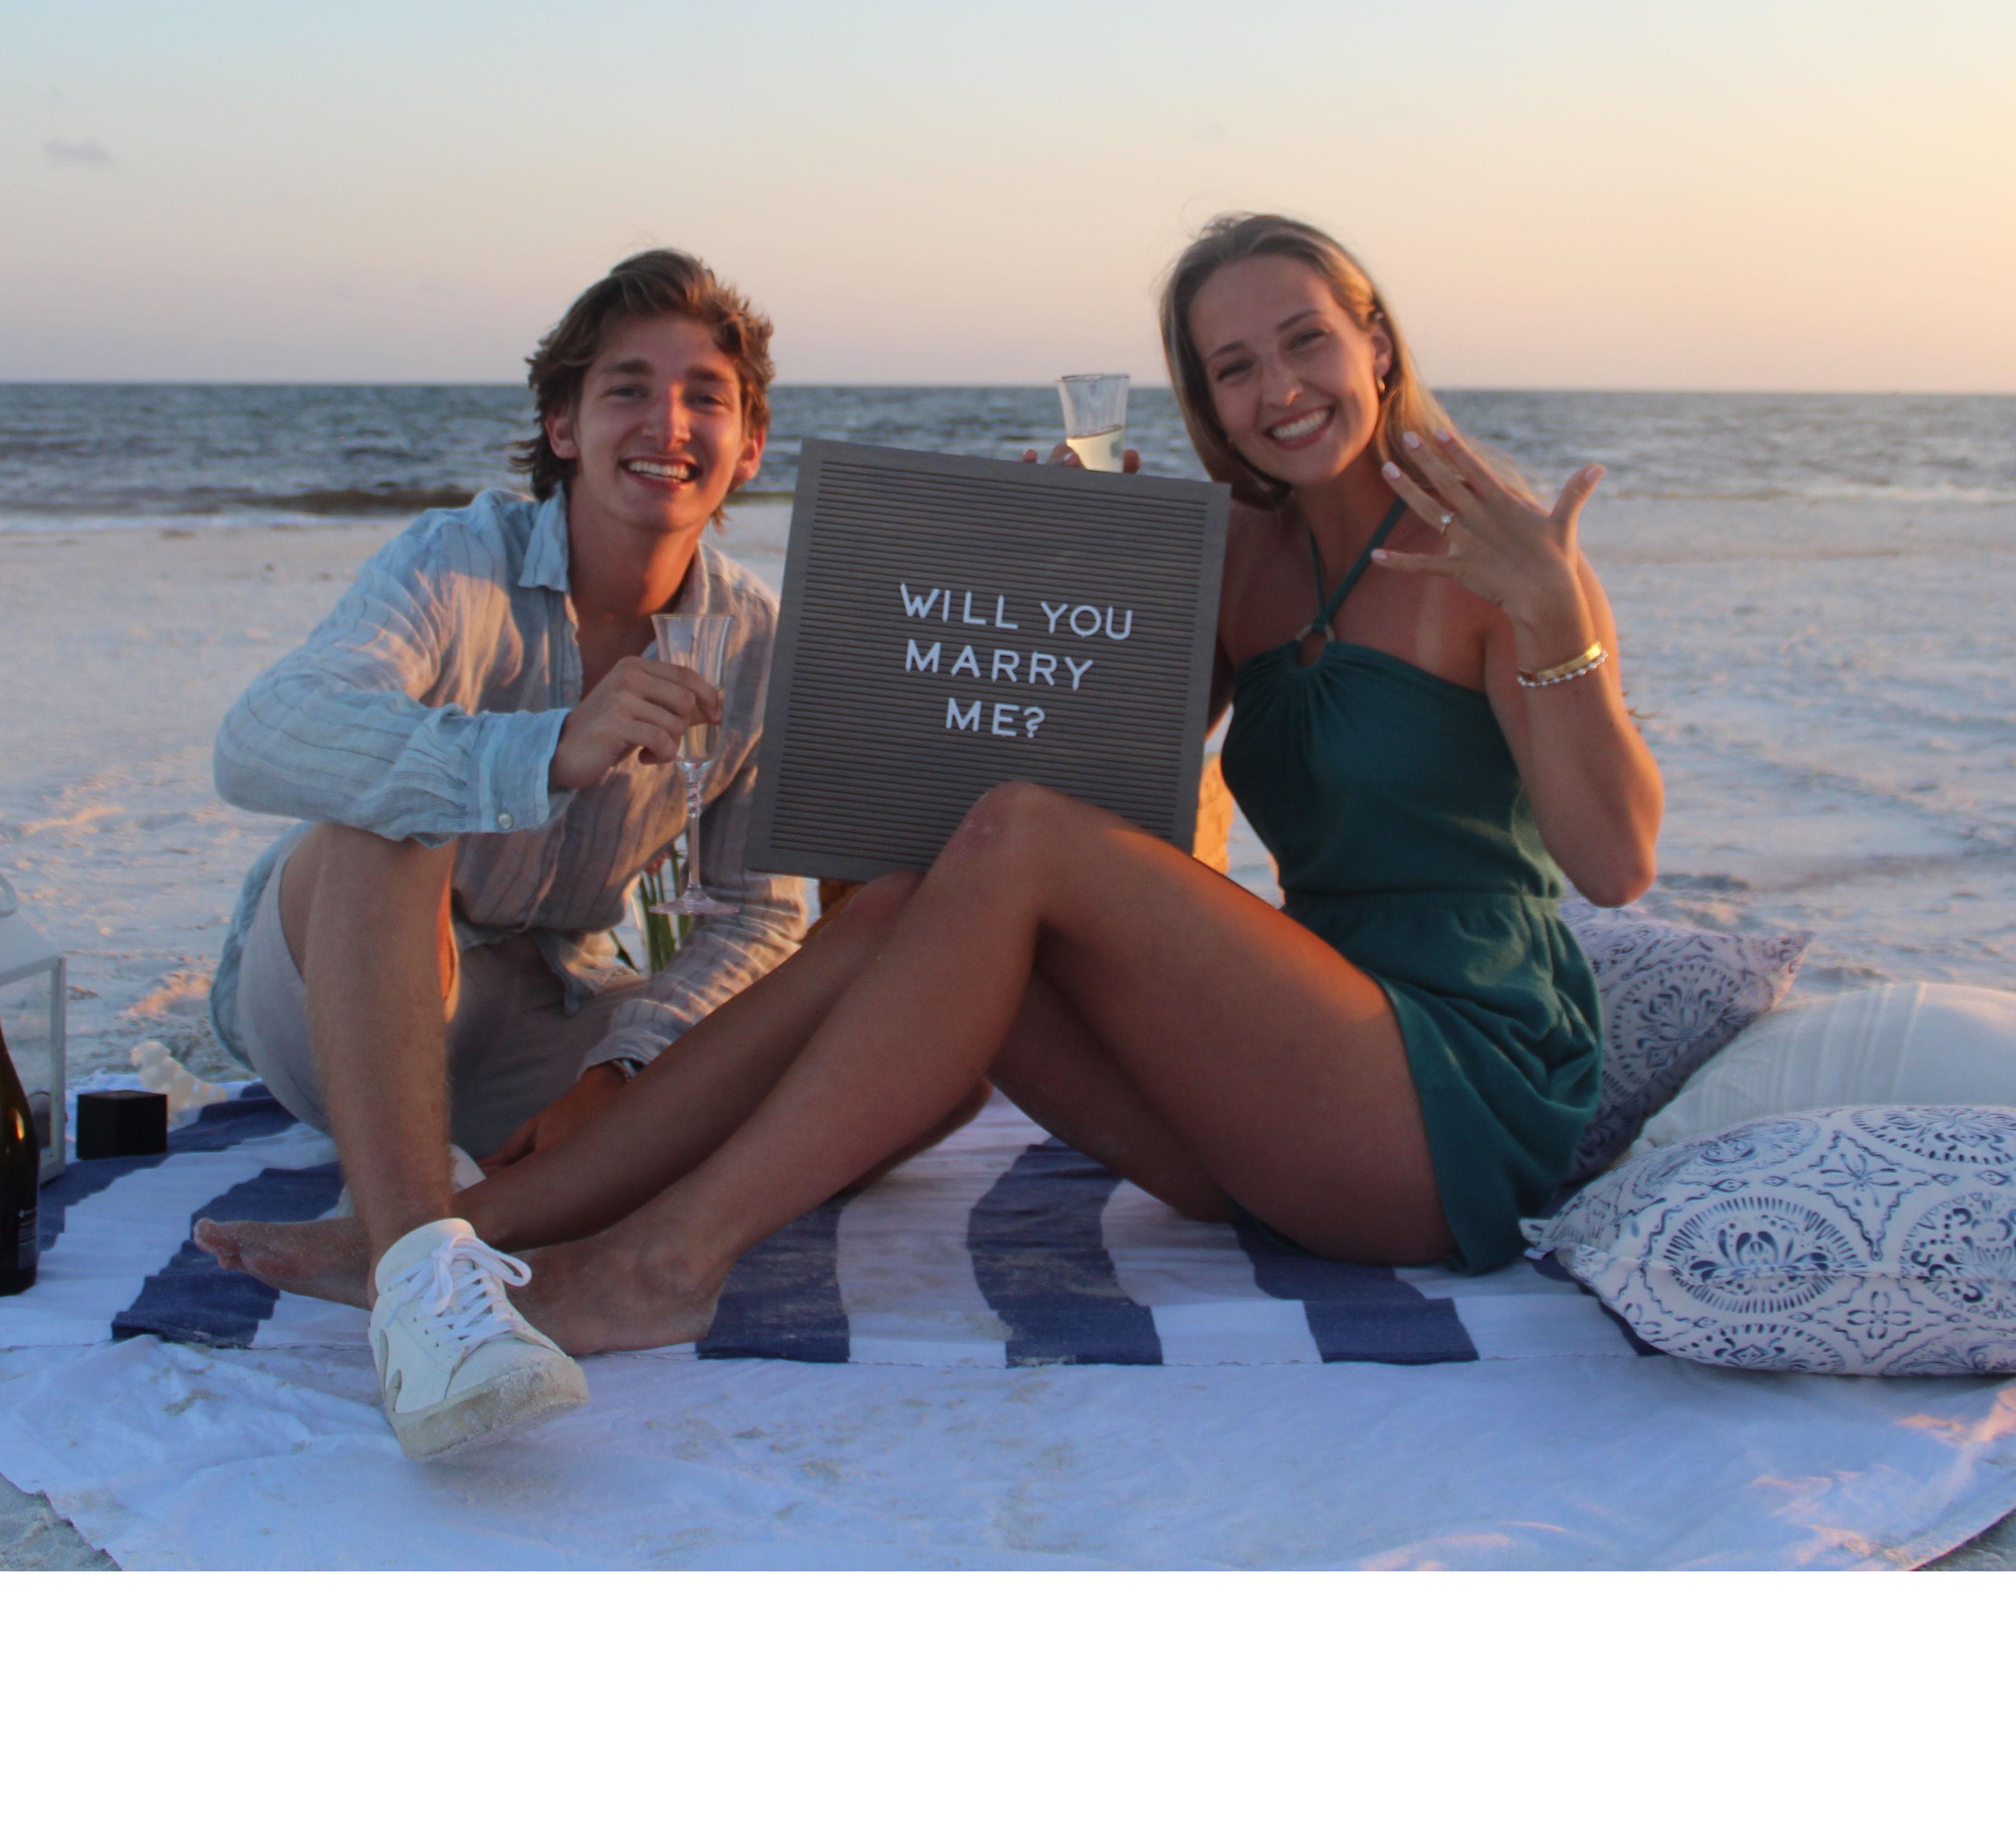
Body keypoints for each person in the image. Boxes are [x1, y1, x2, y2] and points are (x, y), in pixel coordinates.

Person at [199, 209, 1664, 1446]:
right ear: (1203, 400)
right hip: (1280, 1111)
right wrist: (1058, 565)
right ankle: (465, 1234)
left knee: (1012, 844)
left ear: (1376, 342)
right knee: (921, 901)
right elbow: (1095, 777)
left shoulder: (1499, 549)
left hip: (1446, 1096)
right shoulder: (1242, 562)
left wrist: (1559, 619)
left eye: (1304, 343)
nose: (1278, 389)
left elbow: (1616, 864)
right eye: (1233, 367)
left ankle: (669, 1262)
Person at [193, 247, 802, 1458]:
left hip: (545, 1007)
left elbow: (758, 913)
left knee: (820, 1036)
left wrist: (621, 1073)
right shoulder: (455, 560)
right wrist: (539, 751)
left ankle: (411, 1218)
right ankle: (424, 1295)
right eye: (626, 389)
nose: (667, 425)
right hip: (335, 988)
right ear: (562, 428)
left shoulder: (753, 640)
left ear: (748, 448)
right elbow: (259, 738)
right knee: (395, 803)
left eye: (706, 398)